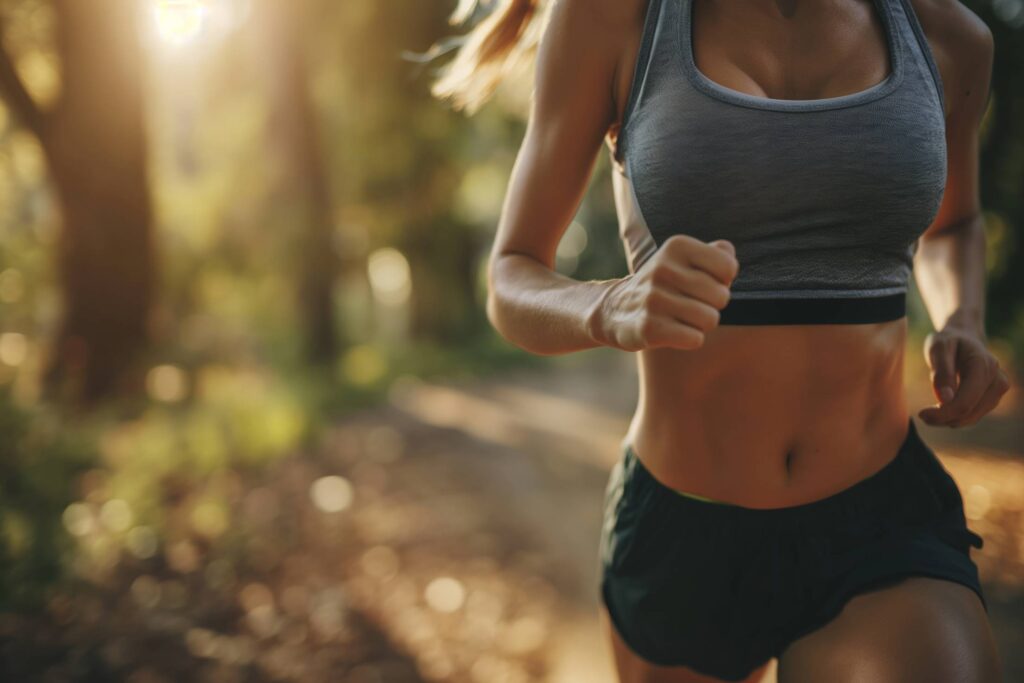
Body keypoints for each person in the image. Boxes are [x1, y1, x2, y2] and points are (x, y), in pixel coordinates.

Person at [426, 0, 1011, 680]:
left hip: (880, 519)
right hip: (685, 531)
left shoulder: (948, 35)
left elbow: (955, 222)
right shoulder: (615, 20)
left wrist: (962, 318)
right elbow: (511, 275)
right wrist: (607, 304)